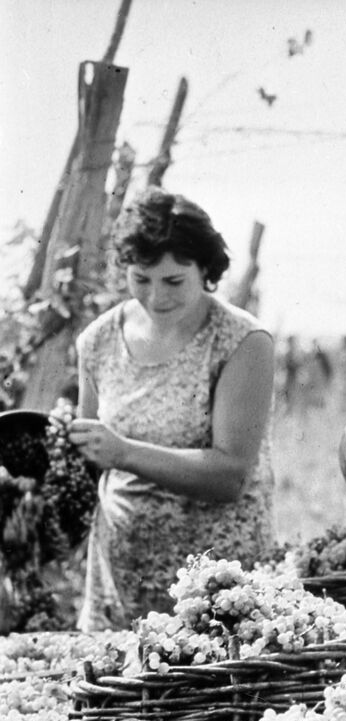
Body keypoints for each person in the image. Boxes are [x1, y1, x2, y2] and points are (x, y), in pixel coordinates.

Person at [69, 187, 275, 630]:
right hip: (119, 584)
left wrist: (124, 452)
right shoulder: (99, 341)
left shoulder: (241, 341)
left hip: (217, 595)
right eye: (140, 279)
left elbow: (230, 474)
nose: (156, 296)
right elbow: (88, 462)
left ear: (205, 270)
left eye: (173, 281)